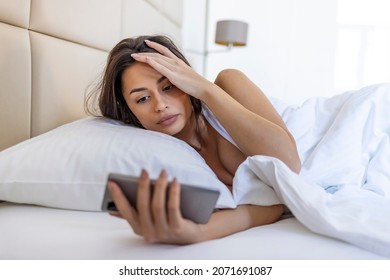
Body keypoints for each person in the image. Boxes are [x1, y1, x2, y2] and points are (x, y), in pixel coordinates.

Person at [85, 35, 301, 245]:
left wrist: (205, 89)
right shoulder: (170, 158)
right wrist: (197, 232)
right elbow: (271, 205)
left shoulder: (228, 83)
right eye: (142, 99)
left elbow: (289, 164)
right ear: (129, 111)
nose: (160, 105)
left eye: (169, 86)